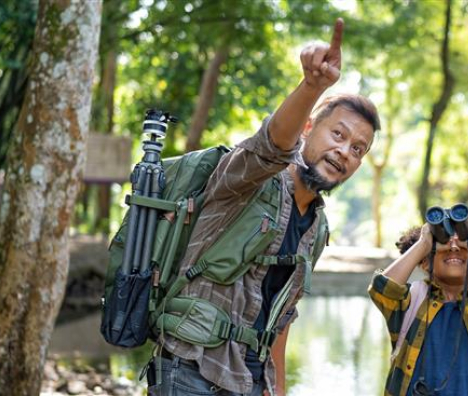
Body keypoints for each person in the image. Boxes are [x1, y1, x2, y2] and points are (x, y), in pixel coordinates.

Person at [148, 18, 381, 396]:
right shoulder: (248, 179)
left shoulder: (316, 226)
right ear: (308, 129)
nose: (344, 152)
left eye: (358, 149)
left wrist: (277, 388)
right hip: (191, 370)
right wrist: (312, 86)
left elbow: (281, 320)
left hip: (251, 381)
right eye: (337, 134)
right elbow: (272, 146)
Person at [369, 217, 468, 396]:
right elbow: (382, 291)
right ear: (425, 261)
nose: (454, 247)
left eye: (465, 245)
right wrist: (424, 243)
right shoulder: (412, 300)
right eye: (443, 244)